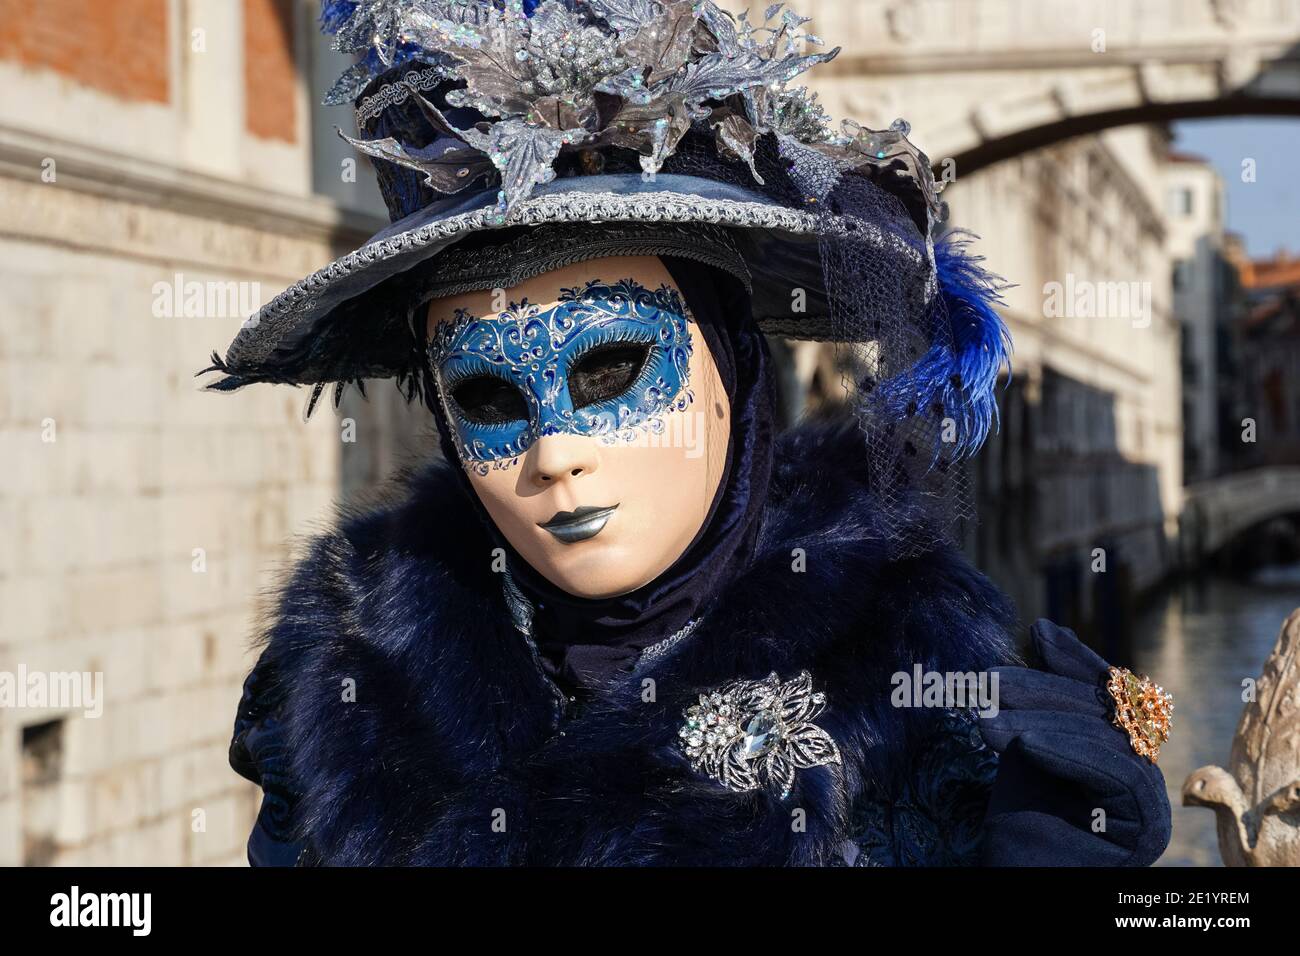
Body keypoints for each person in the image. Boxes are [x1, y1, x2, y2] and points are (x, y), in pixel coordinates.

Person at [208, 0, 1173, 866]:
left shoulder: (912, 698)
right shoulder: (350, 679)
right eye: (492, 401)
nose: (555, 454)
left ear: (735, 372)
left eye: (613, 371)